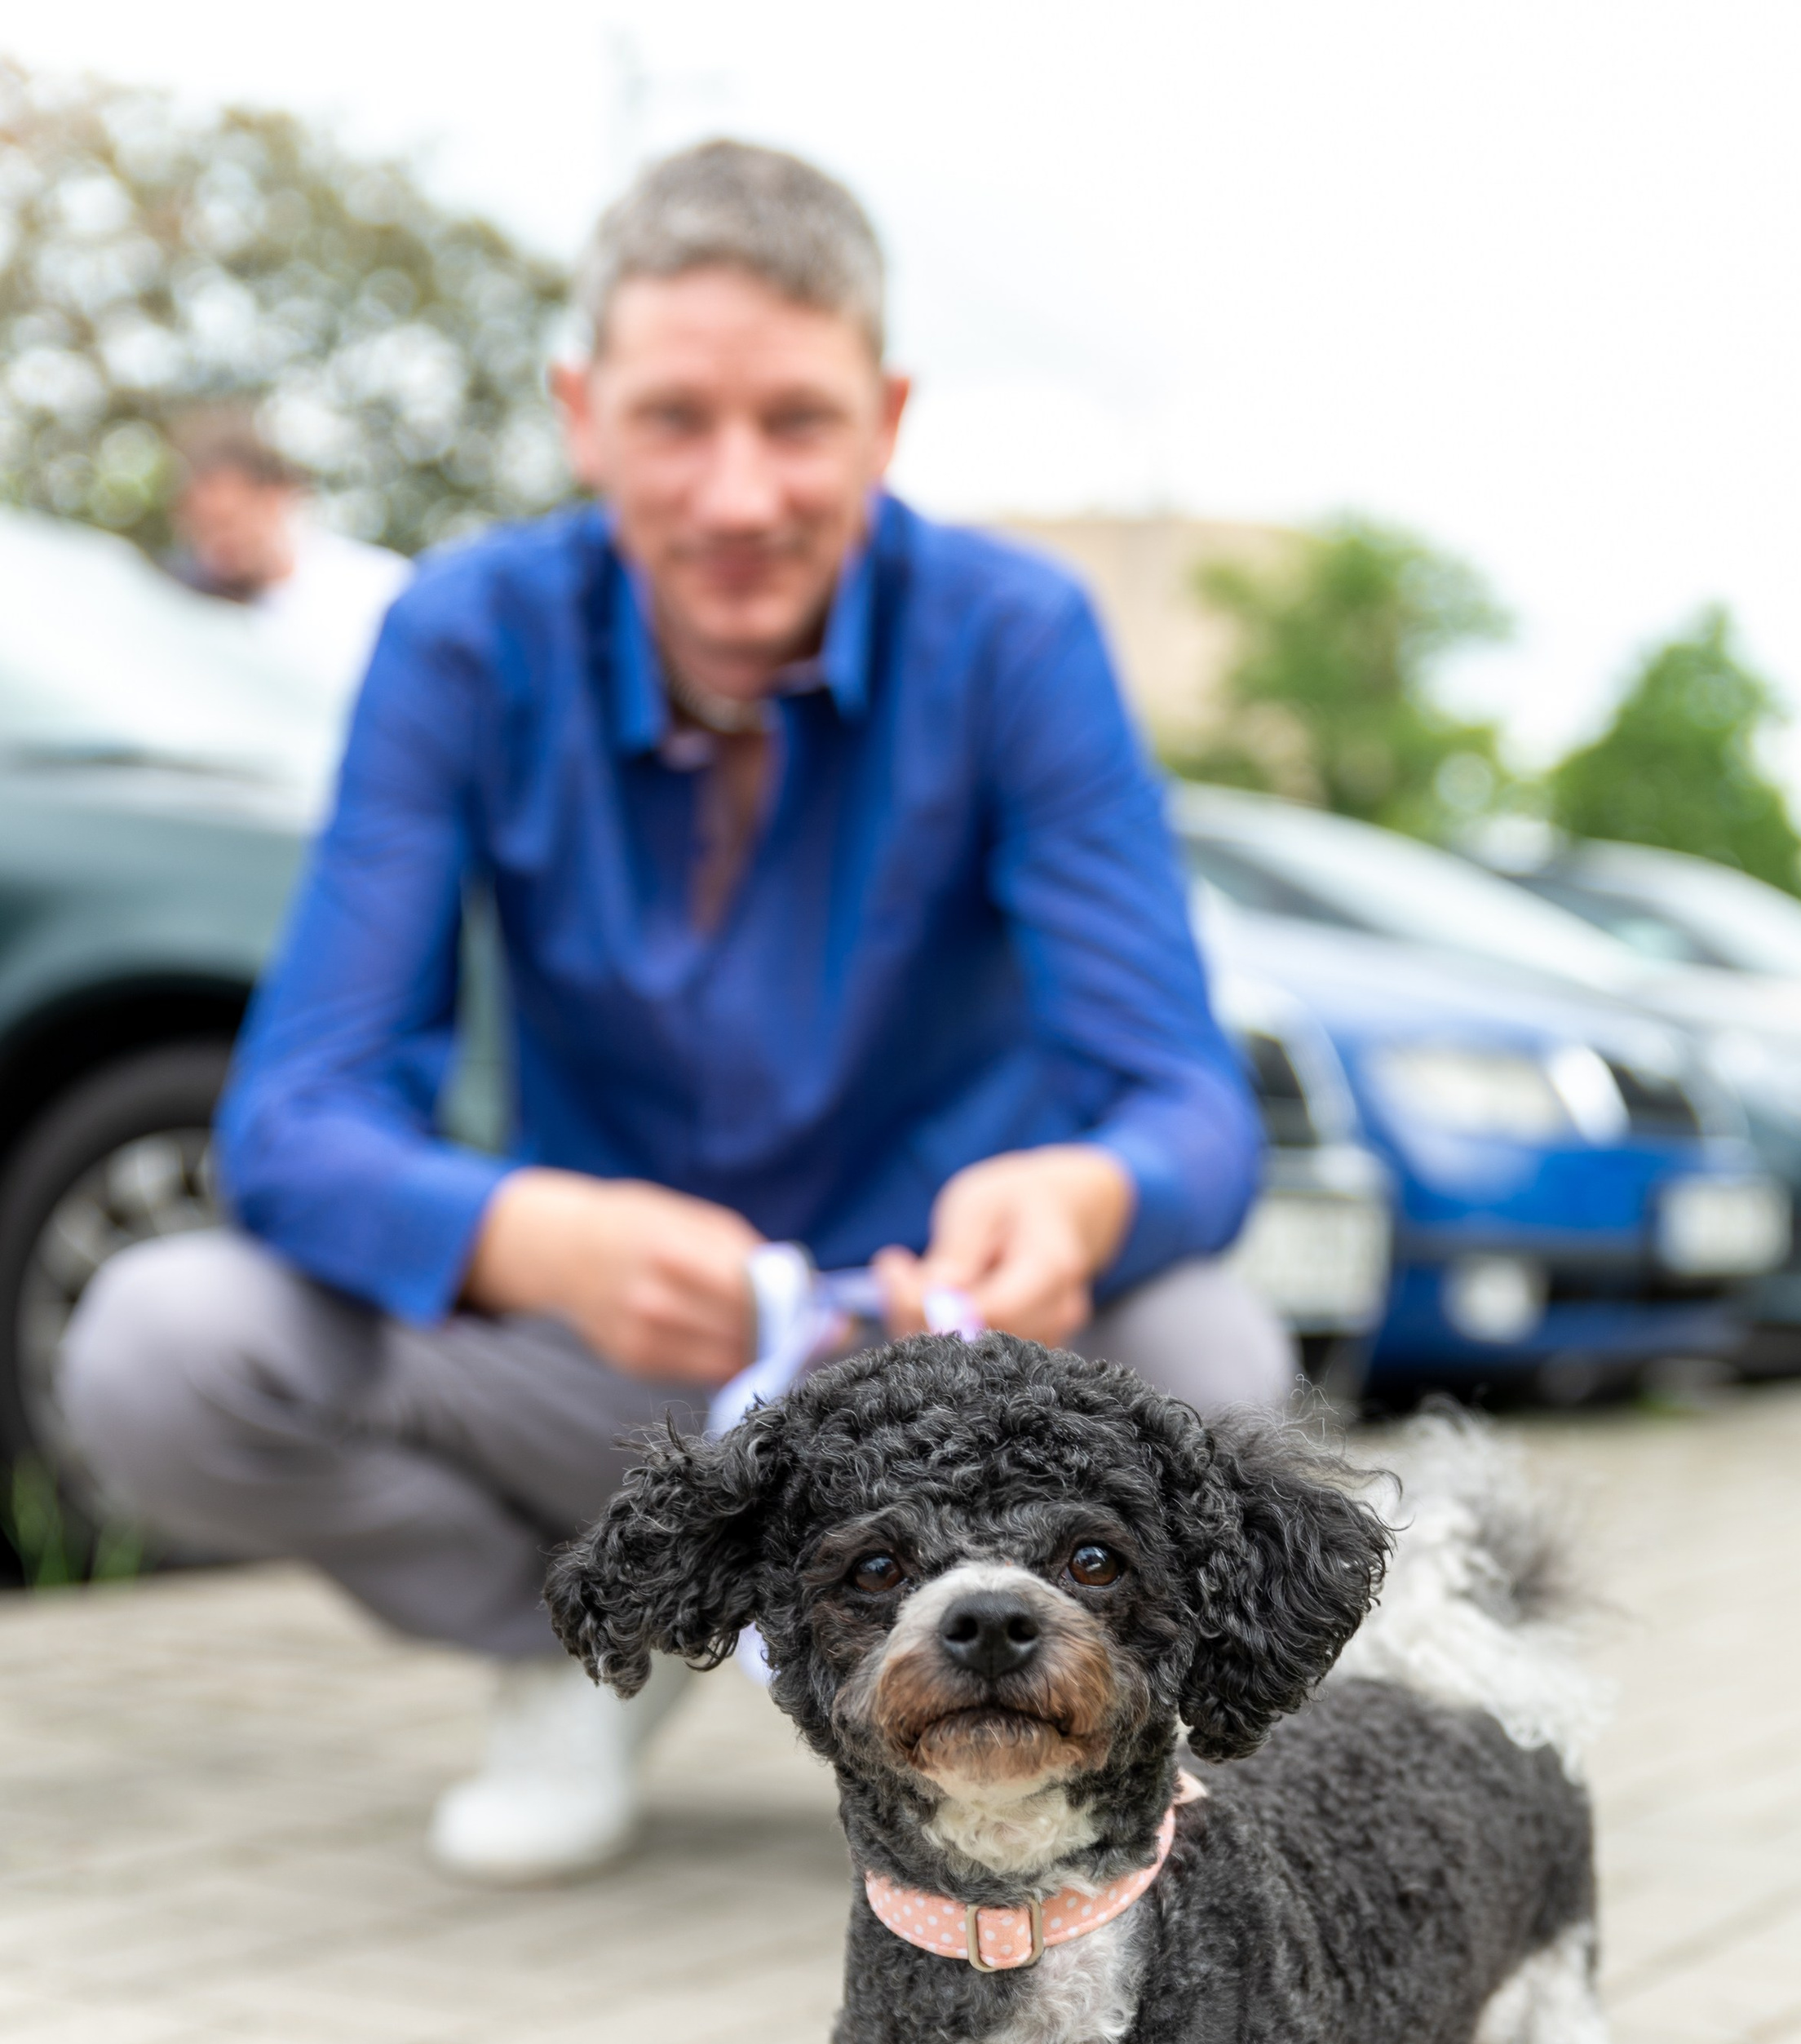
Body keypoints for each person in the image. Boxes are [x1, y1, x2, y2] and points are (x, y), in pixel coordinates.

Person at [65, 141, 1285, 1883]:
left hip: (935, 1356)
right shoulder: (465, 637)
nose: (734, 496)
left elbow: (1183, 1097)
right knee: (162, 1346)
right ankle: (587, 1652)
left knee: (1214, 1360)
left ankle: (1064, 1763)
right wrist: (522, 1234)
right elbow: (295, 1117)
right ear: (581, 410)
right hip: (611, 1358)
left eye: (794, 422)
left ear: (885, 416)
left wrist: (1085, 1197)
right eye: (672, 421)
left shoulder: (1015, 636)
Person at [166, 415, 409, 706]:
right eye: (202, 530)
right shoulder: (187, 616)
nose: (215, 547)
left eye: (227, 523)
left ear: (275, 498)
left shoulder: (378, 588)